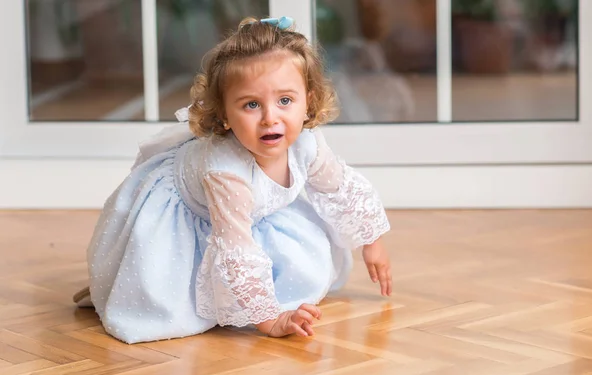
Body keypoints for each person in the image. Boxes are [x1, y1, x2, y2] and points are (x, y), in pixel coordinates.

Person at [73, 16, 392, 344]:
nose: (271, 118)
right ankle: (115, 285)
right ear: (224, 113)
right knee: (167, 299)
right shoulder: (226, 171)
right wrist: (271, 320)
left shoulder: (307, 144)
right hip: (186, 216)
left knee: (307, 266)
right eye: (251, 105)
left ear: (307, 101)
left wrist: (372, 243)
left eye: (285, 100)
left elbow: (340, 188)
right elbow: (236, 246)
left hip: (246, 214)